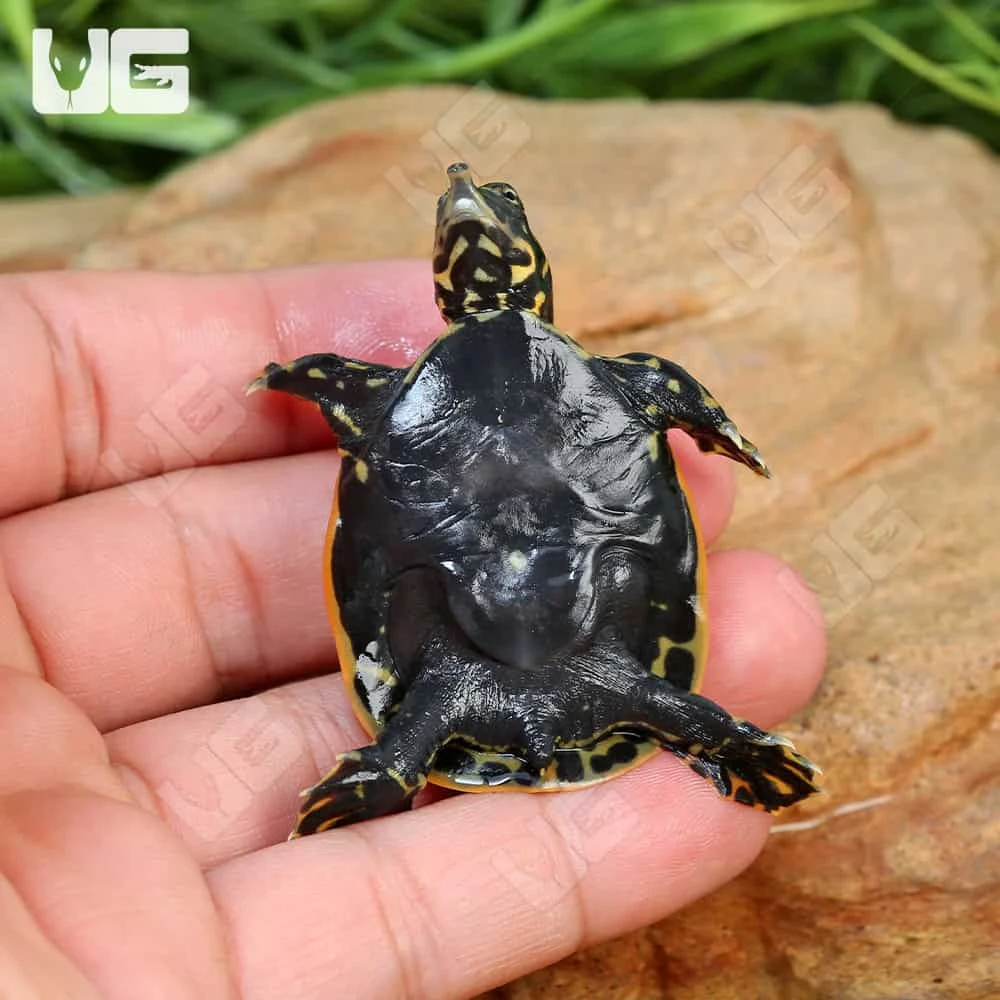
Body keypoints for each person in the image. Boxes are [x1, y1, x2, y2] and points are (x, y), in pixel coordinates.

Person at [0, 261, 824, 999]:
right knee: (615, 692)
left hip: (510, 665)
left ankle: (390, 773)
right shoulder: (626, 382)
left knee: (439, 715)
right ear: (534, 276)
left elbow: (339, 385)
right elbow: (668, 388)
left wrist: (303, 377)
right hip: (573, 662)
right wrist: (719, 432)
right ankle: (722, 747)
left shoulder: (389, 391)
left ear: (449, 284)